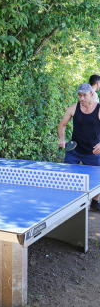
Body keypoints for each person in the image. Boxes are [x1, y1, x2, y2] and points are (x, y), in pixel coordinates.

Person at [58, 83, 100, 211]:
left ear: (91, 95)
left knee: (98, 180)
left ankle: (94, 202)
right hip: (74, 150)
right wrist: (62, 139)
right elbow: (62, 125)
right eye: (79, 95)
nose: (81, 98)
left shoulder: (98, 109)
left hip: (93, 151)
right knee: (69, 178)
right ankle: (70, 205)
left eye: (84, 95)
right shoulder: (73, 108)